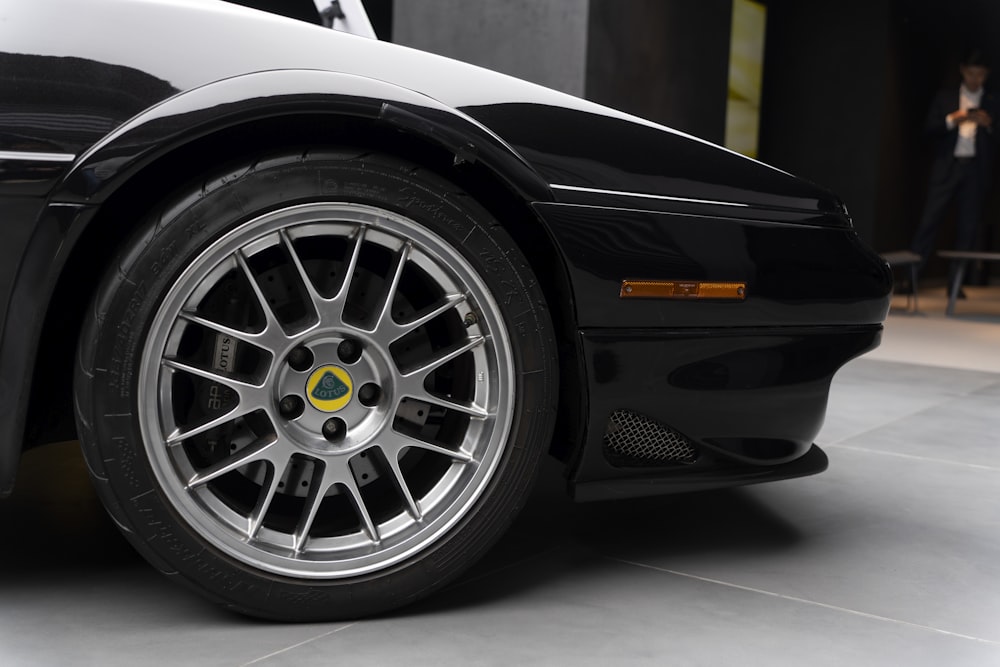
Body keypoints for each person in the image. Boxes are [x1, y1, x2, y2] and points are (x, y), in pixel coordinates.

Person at [910, 50, 999, 291]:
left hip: (976, 172)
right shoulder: (945, 97)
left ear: (986, 75)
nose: (975, 79)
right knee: (929, 222)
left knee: (967, 228)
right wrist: (953, 119)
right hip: (947, 168)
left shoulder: (992, 100)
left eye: (980, 74)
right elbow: (928, 130)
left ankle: (955, 284)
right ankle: (913, 279)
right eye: (971, 73)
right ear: (962, 71)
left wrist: (989, 126)